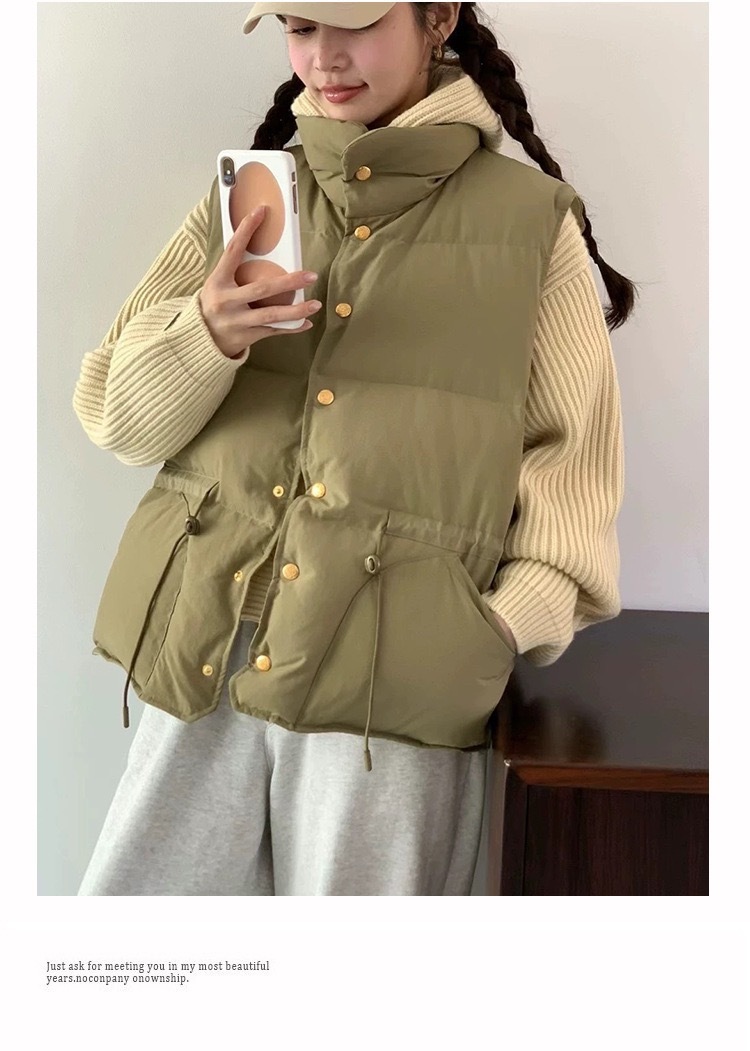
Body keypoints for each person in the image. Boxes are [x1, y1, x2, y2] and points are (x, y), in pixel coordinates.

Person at [74, 2, 632, 897]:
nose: (325, 58)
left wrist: (489, 631)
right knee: (136, 960)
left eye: (355, 24)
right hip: (205, 647)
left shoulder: (529, 223)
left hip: (392, 689)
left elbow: (574, 474)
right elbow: (114, 416)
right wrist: (203, 336)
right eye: (300, 27)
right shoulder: (253, 197)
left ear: (437, 17)